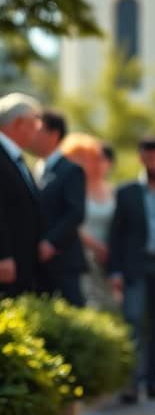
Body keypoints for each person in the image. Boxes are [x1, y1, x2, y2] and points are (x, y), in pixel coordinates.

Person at [108, 135, 155, 403]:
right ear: (142, 158)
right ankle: (131, 384)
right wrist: (115, 271)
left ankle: (154, 382)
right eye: (151, 158)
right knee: (133, 322)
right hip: (135, 266)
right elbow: (116, 234)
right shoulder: (126, 192)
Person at [34, 110, 87, 307]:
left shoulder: (71, 170)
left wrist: (51, 242)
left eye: (38, 130)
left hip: (64, 260)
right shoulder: (35, 169)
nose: (33, 135)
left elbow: (76, 212)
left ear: (54, 134)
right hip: (39, 263)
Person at [60, 133, 117, 311]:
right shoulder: (73, 189)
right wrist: (95, 246)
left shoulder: (112, 190)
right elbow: (70, 222)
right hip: (82, 256)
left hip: (108, 259)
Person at [0, 93, 43, 297]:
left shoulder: (15, 156)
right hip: (7, 265)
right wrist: (3, 255)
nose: (37, 130)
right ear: (18, 123)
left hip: (22, 262)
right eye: (34, 123)